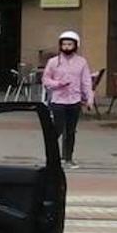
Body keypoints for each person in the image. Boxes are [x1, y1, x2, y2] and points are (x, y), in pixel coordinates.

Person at [41, 31, 94, 168]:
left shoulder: (82, 62)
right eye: (64, 44)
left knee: (71, 130)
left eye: (70, 44)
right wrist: (58, 84)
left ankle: (68, 158)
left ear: (76, 45)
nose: (66, 47)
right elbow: (45, 79)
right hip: (58, 100)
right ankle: (51, 157)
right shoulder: (53, 62)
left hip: (74, 100)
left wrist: (89, 98)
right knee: (57, 128)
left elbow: (86, 81)